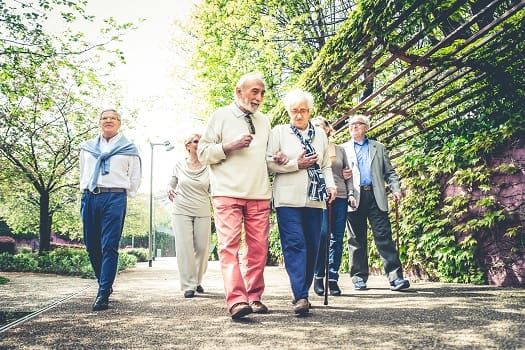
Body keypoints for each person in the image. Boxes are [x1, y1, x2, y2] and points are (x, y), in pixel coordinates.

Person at [197, 72, 286, 320]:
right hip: (227, 193)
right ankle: (237, 300)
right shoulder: (220, 116)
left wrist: (276, 159)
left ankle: (254, 297)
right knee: (229, 248)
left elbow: (266, 158)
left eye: (261, 93)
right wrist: (228, 146)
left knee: (258, 250)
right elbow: (203, 153)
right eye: (254, 91)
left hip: (258, 193)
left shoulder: (265, 121)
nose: (258, 97)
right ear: (239, 92)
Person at [267, 89, 337, 316]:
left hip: (314, 198)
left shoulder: (320, 135)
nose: (298, 115)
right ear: (289, 111)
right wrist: (295, 164)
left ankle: (302, 290)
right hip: (287, 198)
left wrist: (331, 185)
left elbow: (325, 165)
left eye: (303, 111)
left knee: (313, 246)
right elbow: (268, 163)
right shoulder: (279, 132)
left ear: (310, 111)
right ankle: (300, 296)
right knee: (295, 244)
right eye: (294, 111)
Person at [80, 108, 141, 311]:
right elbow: (84, 172)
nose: (108, 120)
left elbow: (135, 177)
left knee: (109, 245)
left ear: (119, 123)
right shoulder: (87, 148)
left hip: (115, 197)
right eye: (105, 118)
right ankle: (103, 282)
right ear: (99, 122)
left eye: (113, 118)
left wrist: (124, 195)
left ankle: (103, 292)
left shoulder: (129, 148)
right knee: (91, 245)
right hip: (90, 197)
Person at [342, 114, 410, 291]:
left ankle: (396, 278)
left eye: (358, 124)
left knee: (383, 236)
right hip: (354, 197)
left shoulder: (378, 147)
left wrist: (395, 189)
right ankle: (358, 277)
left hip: (375, 195)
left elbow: (390, 172)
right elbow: (336, 173)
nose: (354, 126)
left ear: (366, 128)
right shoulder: (342, 149)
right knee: (356, 239)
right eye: (351, 124)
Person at [311, 116, 356, 297]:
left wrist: (351, 193)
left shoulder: (340, 150)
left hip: (341, 196)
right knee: (322, 236)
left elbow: (348, 173)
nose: (316, 129)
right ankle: (318, 275)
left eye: (320, 126)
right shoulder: (309, 147)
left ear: (328, 129)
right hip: (320, 197)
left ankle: (332, 278)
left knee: (337, 238)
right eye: (313, 126)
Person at [167, 133, 211, 299]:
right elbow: (172, 183)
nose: (199, 144)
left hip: (202, 209)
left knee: (202, 248)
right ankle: (188, 285)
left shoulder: (209, 166)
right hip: (181, 209)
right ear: (188, 146)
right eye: (196, 142)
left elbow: (214, 188)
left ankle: (197, 280)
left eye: (202, 142)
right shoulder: (179, 165)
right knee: (184, 248)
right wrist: (168, 188)